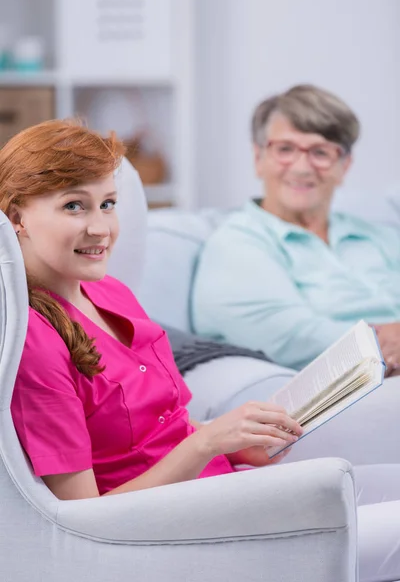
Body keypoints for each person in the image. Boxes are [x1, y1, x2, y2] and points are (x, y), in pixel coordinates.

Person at [2, 120, 400, 582]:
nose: (101, 227)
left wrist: (236, 442)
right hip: (186, 530)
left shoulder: (108, 291)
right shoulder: (33, 343)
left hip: (226, 488)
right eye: (74, 206)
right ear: (16, 217)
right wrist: (206, 442)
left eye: (108, 204)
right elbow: (82, 522)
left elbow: (165, 423)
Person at [191, 84, 400, 375]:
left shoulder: (380, 237)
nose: (302, 167)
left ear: (345, 166)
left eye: (320, 152)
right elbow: (292, 338)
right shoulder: (237, 245)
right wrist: (386, 341)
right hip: (355, 385)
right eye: (285, 149)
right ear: (258, 158)